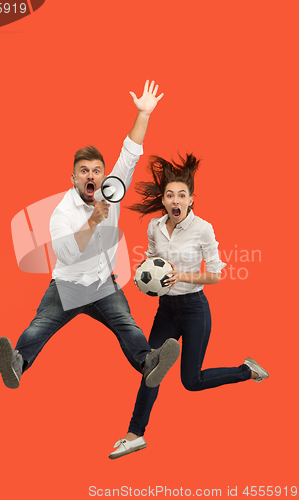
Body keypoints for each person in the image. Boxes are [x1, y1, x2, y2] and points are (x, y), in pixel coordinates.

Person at [0, 81, 180, 391]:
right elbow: (65, 254)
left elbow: (129, 153)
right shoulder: (62, 212)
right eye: (83, 170)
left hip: (102, 284)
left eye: (96, 170)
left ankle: (150, 363)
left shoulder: (111, 191)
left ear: (104, 176)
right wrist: (92, 222)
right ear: (74, 178)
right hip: (67, 286)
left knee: (128, 327)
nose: (90, 175)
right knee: (39, 327)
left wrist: (144, 114)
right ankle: (16, 363)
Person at [109, 153, 269, 459]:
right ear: (164, 200)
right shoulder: (155, 227)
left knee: (191, 382)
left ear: (191, 199)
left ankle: (247, 371)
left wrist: (181, 275)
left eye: (182, 194)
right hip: (166, 311)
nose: (175, 199)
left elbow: (217, 274)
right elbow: (152, 264)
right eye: (170, 195)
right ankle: (134, 435)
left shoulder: (203, 228)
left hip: (195, 309)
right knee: (150, 369)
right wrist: (144, 281)